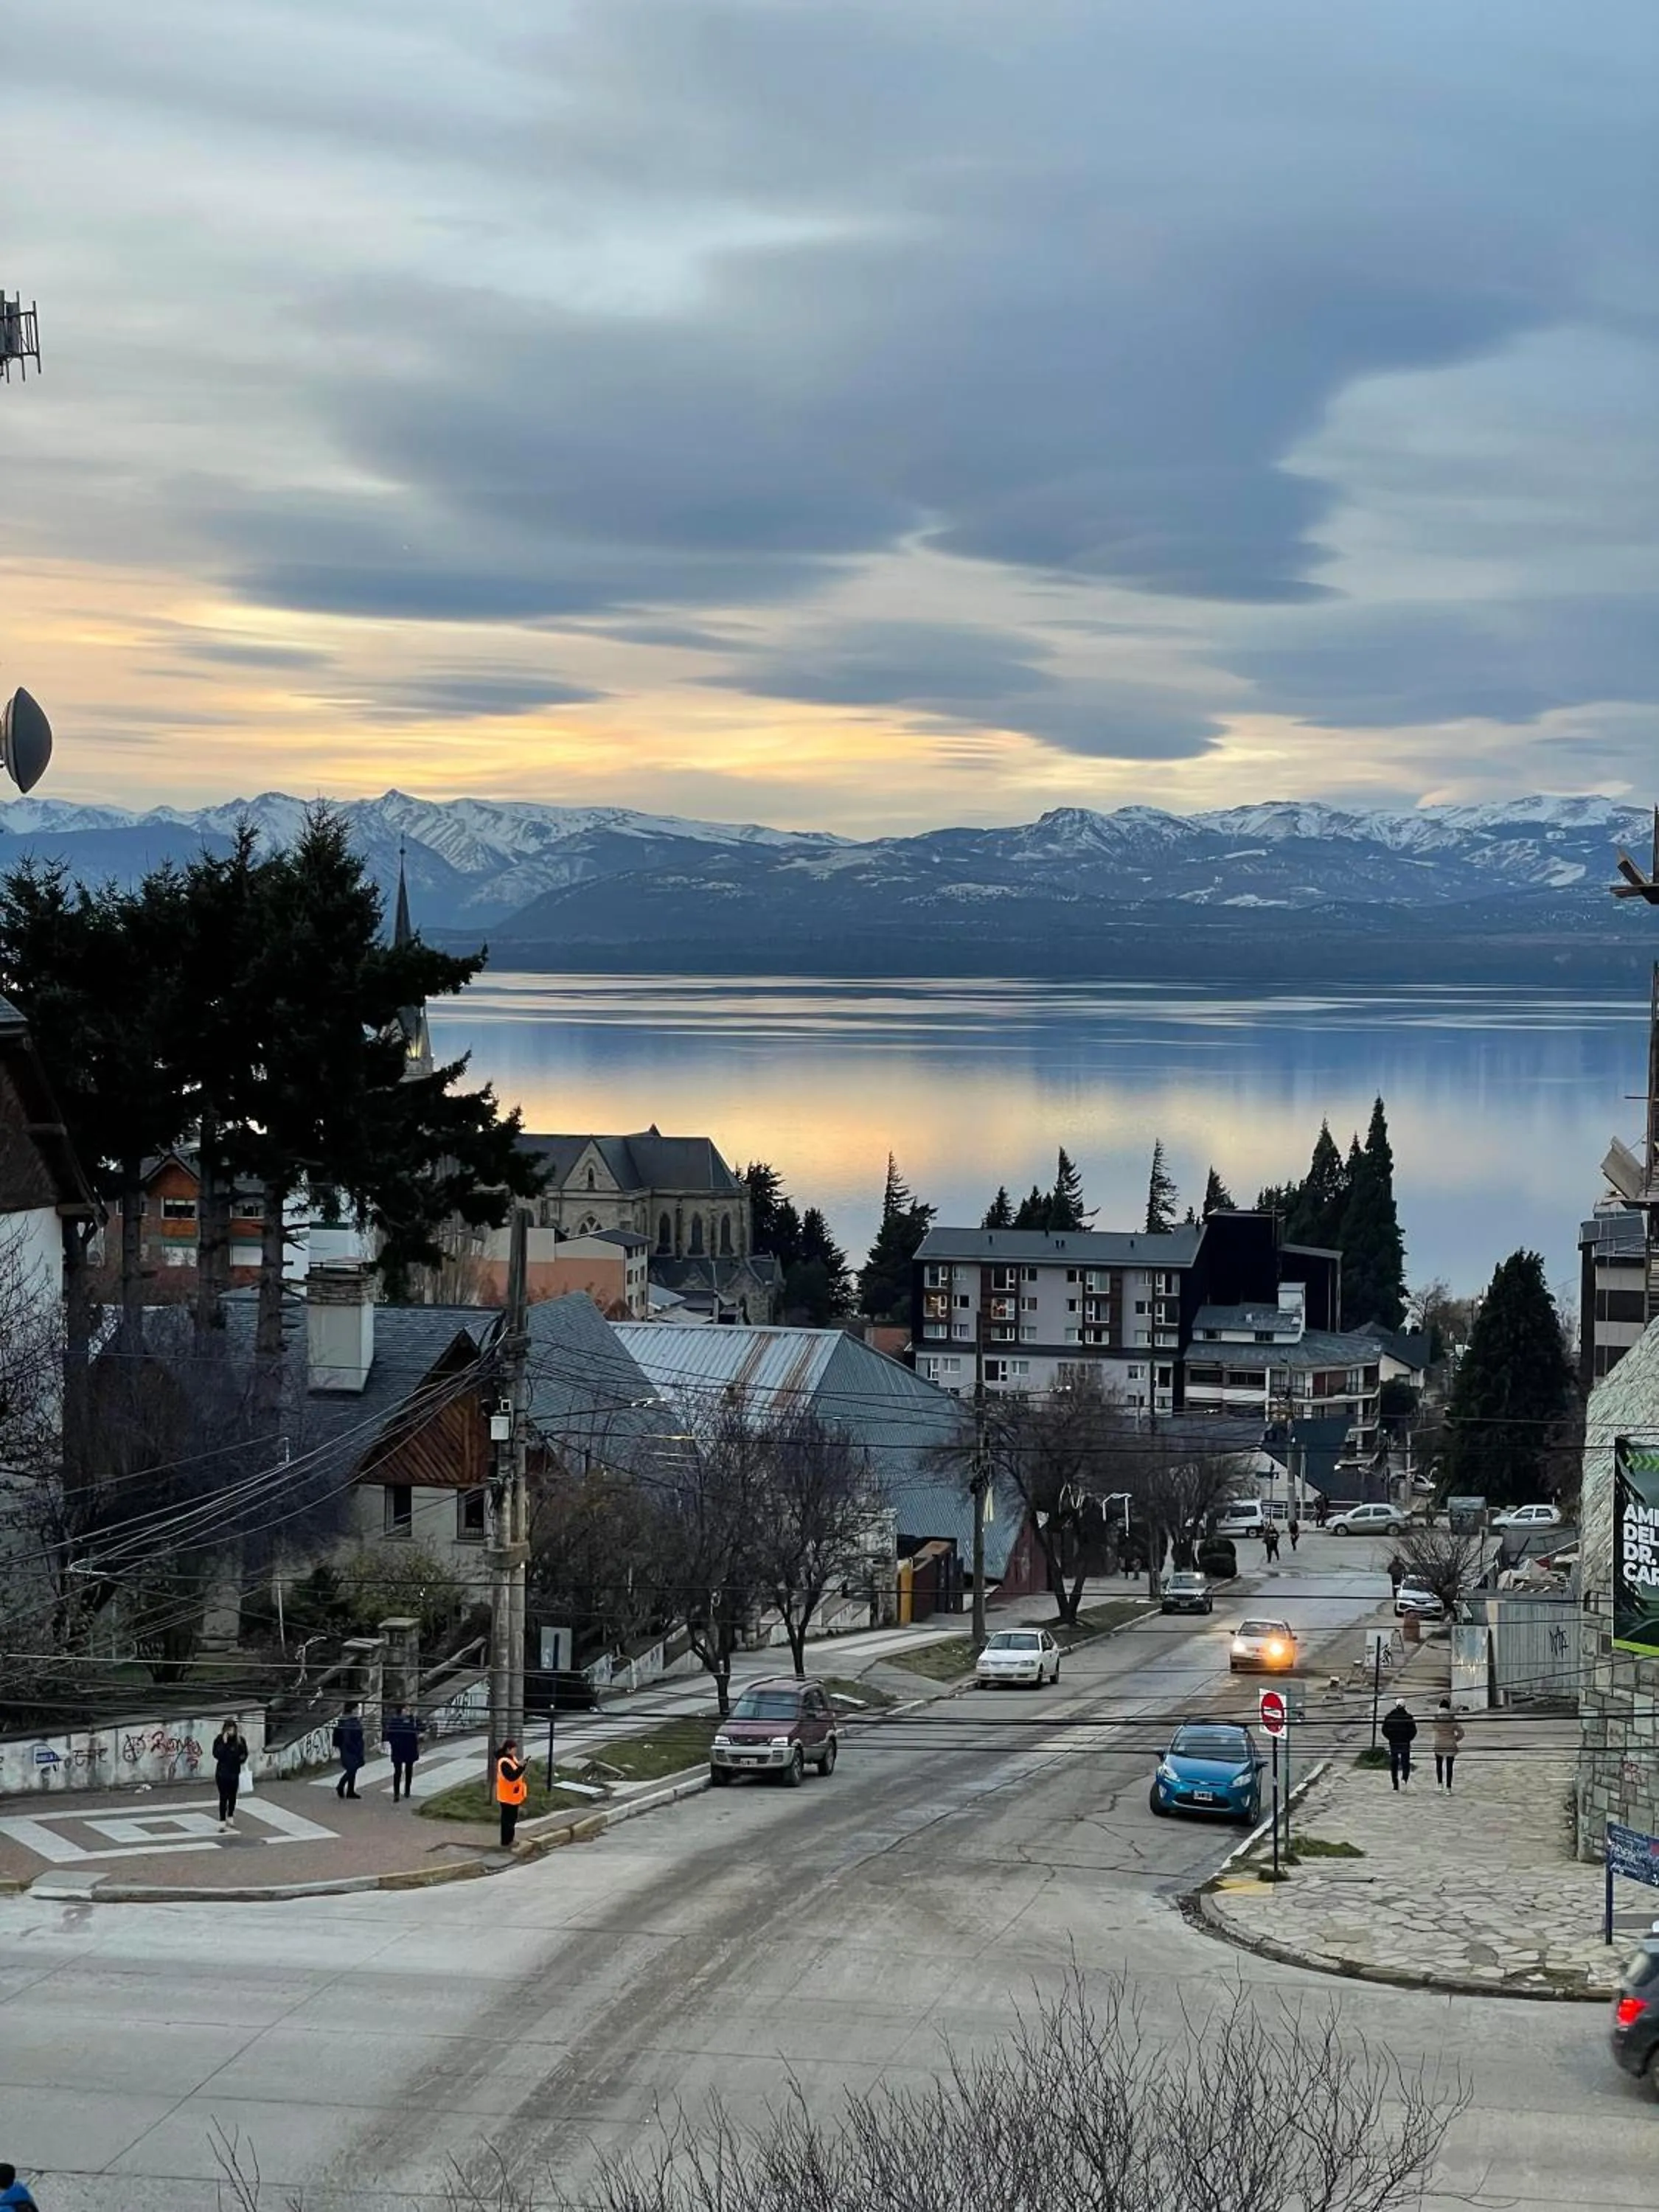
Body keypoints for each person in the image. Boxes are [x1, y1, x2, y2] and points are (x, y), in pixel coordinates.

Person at [382, 1701, 422, 1804]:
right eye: (407, 1709)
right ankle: (400, 1793)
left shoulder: (411, 1720)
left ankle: (404, 1791)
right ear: (402, 1710)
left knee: (405, 1771)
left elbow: (420, 1728)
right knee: (400, 1771)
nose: (409, 1711)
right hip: (403, 1748)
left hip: (406, 1748)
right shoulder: (397, 1721)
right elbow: (390, 1735)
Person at [212, 1718, 248, 1832]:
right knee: (223, 1796)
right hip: (222, 1773)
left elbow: (244, 1753)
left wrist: (240, 1759)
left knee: (233, 1796)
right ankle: (222, 1820)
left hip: (234, 1772)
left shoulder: (240, 1740)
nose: (230, 1732)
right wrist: (224, 1743)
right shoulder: (219, 1740)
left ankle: (230, 1816)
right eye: (228, 1730)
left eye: (232, 1730)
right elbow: (217, 1754)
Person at [495, 1739, 528, 1848]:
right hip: (506, 1796)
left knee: (512, 1819)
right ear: (508, 1749)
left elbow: (516, 1771)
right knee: (508, 1820)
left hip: (512, 1795)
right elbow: (512, 1777)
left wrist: (521, 1765)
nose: (515, 1751)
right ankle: (506, 1842)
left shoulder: (511, 1759)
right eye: (514, 1749)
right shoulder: (504, 1762)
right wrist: (521, 1767)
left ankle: (510, 1840)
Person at [1380, 1697, 1416, 1791]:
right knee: (1405, 1763)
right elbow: (1413, 1731)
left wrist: (1390, 1738)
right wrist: (1408, 1739)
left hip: (1394, 1742)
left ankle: (1395, 1785)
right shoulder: (1408, 1717)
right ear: (1404, 1706)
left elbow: (1384, 1729)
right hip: (1405, 1743)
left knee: (1394, 1763)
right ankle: (1404, 1779)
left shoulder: (1390, 1716)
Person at [333, 1701, 366, 1801]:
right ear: (353, 1710)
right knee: (352, 1768)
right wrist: (354, 1748)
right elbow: (348, 1737)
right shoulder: (348, 1721)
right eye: (357, 1709)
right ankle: (341, 1785)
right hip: (350, 1748)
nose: (358, 1711)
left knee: (353, 1768)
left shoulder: (350, 1720)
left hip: (352, 1747)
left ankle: (350, 1791)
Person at [1433, 1698, 1465, 1792]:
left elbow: (1433, 1727)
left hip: (1439, 1744)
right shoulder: (1452, 1719)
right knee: (1449, 1767)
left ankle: (1440, 1784)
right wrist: (1455, 1739)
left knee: (1439, 1765)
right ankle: (1448, 1788)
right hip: (1450, 1744)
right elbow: (1461, 1732)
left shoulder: (1436, 1718)